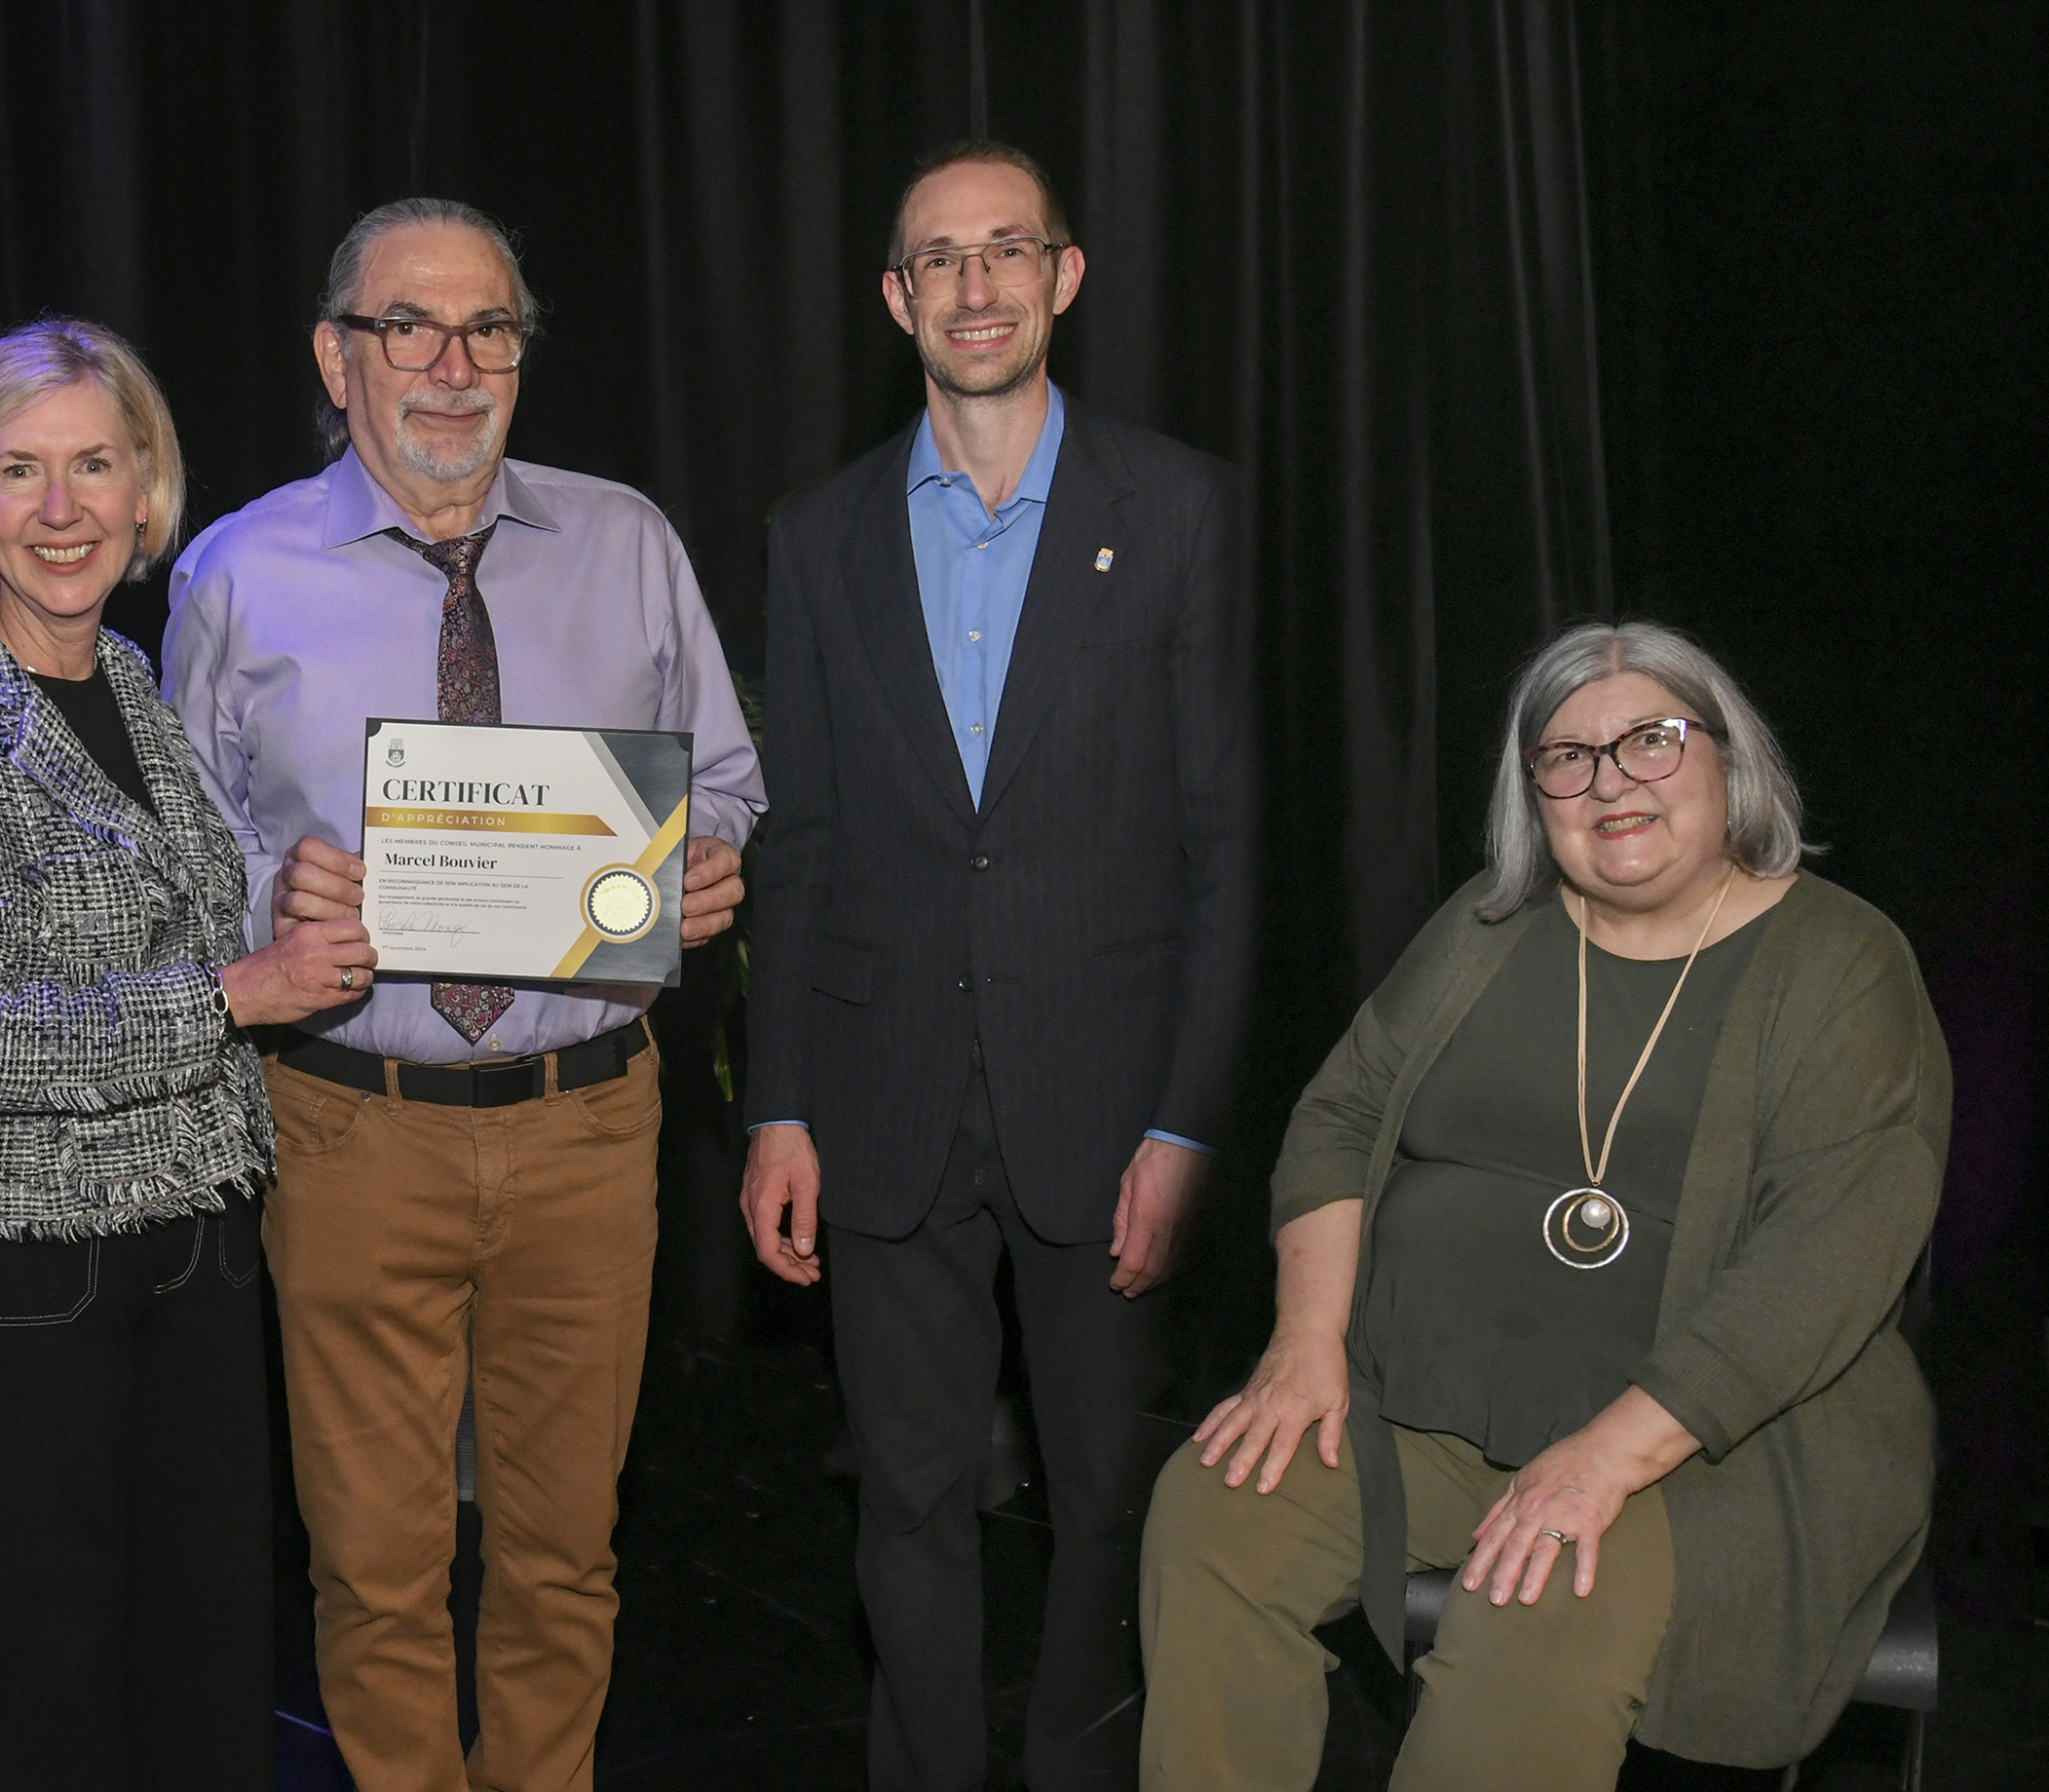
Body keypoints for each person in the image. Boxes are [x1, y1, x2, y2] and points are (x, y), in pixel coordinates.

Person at [162, 197, 765, 1792]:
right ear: (333, 356)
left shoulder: (628, 539)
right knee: (374, 1565)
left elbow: (726, 775)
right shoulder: (235, 571)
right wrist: (270, 898)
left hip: (587, 1124)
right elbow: (179, 860)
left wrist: (708, 860)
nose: (450, 362)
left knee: (566, 1555)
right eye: (406, 326)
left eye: (488, 326)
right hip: (355, 1127)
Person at [1139, 620, 1947, 1787]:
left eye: (1651, 741)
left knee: (1534, 1614)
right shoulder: (1488, 926)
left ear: (1731, 759)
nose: (1608, 780)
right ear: (1535, 794)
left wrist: (1606, 1458)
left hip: (1697, 1459)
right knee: (1216, 1513)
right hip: (1416, 1403)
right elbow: (1338, 1121)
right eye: (1566, 756)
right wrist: (1304, 1344)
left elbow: (1832, 1256)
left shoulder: (1841, 961)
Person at [740, 140, 1254, 1789]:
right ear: (899, 298)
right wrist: (779, 1108)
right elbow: (800, 841)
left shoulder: (1174, 507)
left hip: (1106, 1112)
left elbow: (1224, 844)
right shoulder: (817, 539)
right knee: (907, 1495)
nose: (975, 284)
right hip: (882, 1097)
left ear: (1064, 276)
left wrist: (1186, 1124)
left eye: (1006, 249)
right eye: (940, 258)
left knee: (1106, 1495)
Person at [0, 318, 370, 1788]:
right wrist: (236, 992)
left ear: (149, 490)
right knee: (49, 1687)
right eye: (22, 469)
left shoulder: (134, 682)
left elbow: (170, 915)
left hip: (194, 1242)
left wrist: (295, 902)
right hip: (28, 1273)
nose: (62, 508)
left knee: (203, 1664)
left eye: (95, 465)